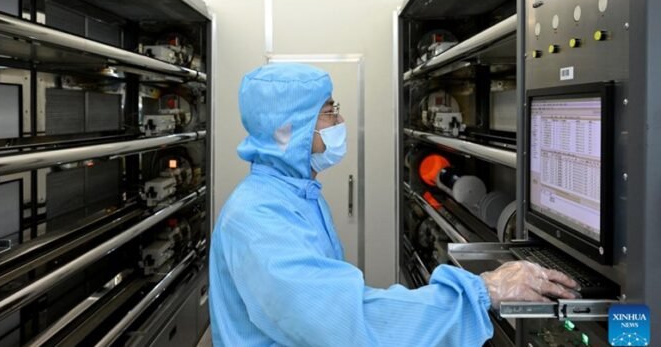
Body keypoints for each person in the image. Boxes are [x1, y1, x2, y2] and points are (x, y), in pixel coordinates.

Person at [209, 63, 579, 346]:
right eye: (328, 111)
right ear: (285, 130)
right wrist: (485, 291)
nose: (340, 121)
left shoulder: (295, 195)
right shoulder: (257, 219)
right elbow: (345, 321)